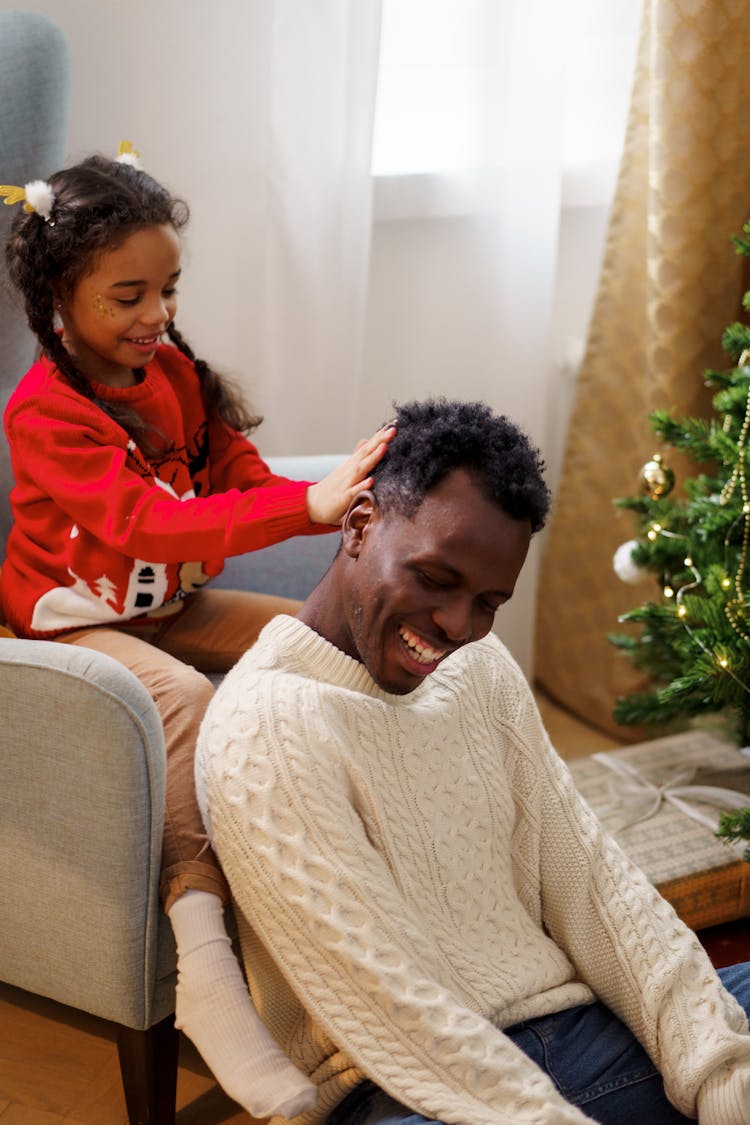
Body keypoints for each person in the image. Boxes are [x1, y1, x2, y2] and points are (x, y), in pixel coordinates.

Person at [197, 397, 750, 1125]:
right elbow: (393, 1006)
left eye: (488, 600)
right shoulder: (262, 728)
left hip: (585, 1032)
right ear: (360, 524)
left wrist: (719, 1070)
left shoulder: (479, 666)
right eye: (435, 578)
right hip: (411, 1090)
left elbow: (592, 879)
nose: (459, 626)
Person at [0, 146, 394, 1119]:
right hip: (68, 627)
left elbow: (242, 483)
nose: (156, 315)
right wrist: (306, 505)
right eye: (127, 296)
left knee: (323, 647)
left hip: (167, 607)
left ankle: (352, 904)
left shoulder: (173, 371)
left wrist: (344, 498)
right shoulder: (44, 413)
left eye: (167, 289)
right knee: (180, 696)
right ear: (61, 298)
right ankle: (210, 989)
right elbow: (146, 526)